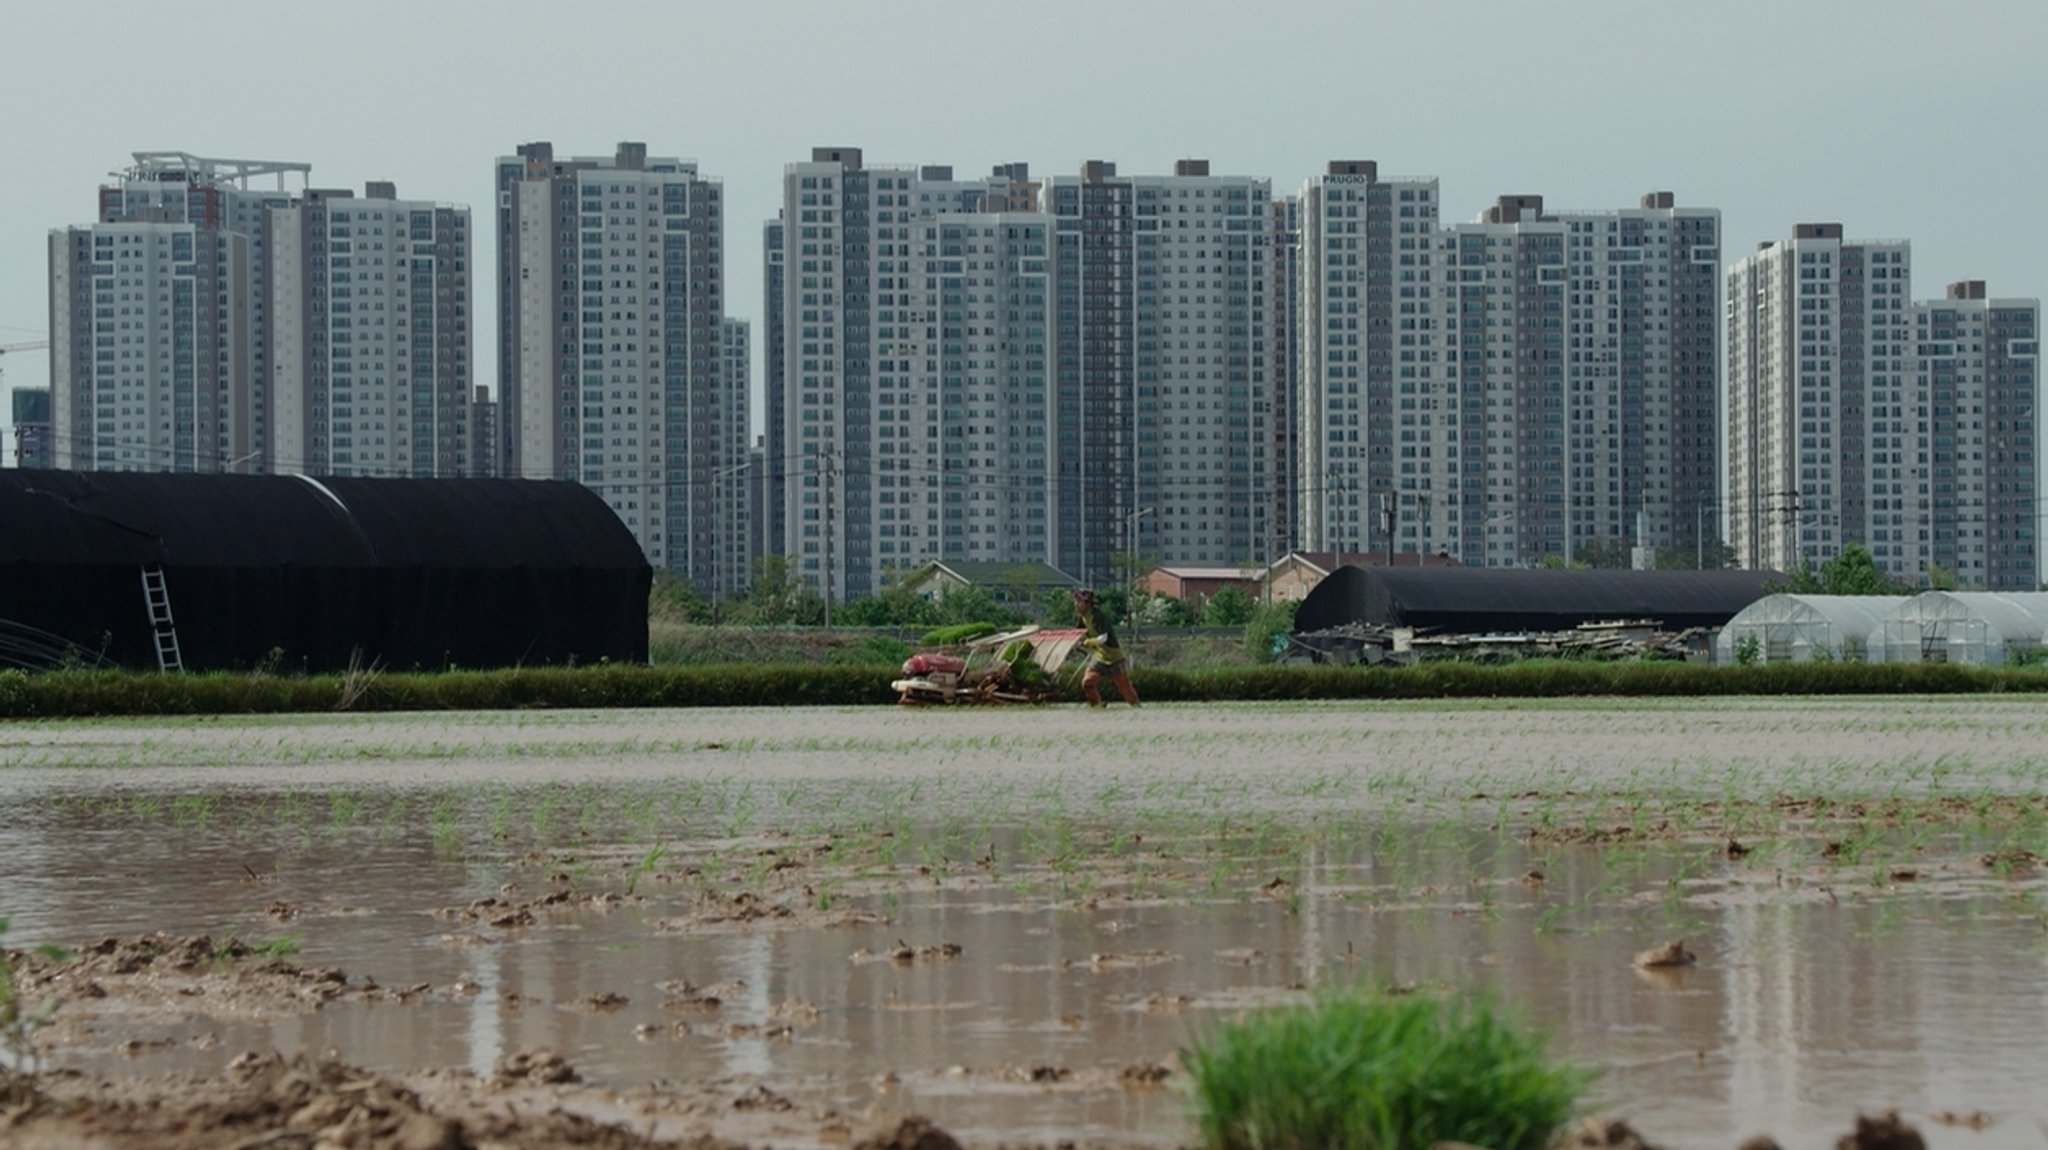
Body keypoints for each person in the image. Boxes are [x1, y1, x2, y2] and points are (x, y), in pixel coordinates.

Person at [1071, 588, 1140, 708]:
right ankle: (1098, 706)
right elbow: (1079, 634)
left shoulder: (1098, 616)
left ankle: (1137, 709)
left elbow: (1103, 638)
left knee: (1124, 688)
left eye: (1078, 601)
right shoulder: (1082, 618)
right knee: (1087, 683)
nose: (1075, 604)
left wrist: (1088, 642)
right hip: (1099, 656)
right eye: (1075, 601)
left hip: (1113, 656)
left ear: (1087, 603)